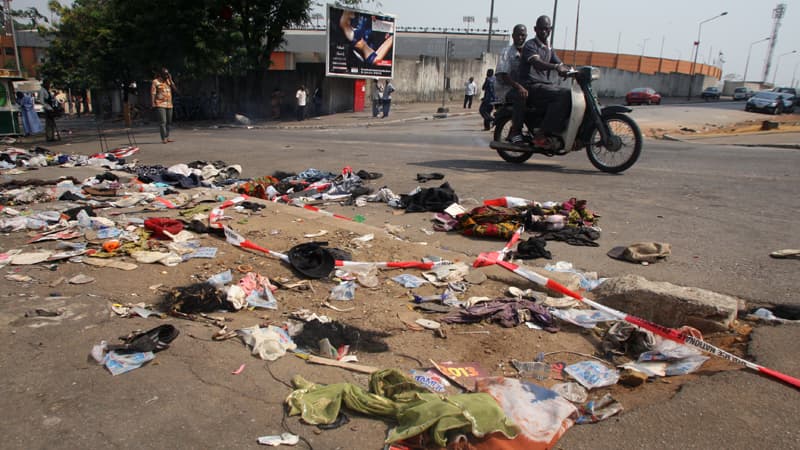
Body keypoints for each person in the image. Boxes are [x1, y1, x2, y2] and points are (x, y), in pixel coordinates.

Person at [512, 15, 571, 149]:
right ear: (535, 29)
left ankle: (558, 132)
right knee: (564, 94)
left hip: (543, 85)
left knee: (570, 96)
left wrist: (573, 71)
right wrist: (556, 67)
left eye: (547, 29)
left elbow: (560, 63)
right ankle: (541, 133)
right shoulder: (531, 45)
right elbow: (537, 63)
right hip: (530, 85)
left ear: (551, 29)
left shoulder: (549, 48)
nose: (544, 31)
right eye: (541, 29)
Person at [496, 24, 528, 140]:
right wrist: (519, 87)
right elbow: (503, 76)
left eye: (523, 35)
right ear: (513, 36)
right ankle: (515, 131)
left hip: (522, 87)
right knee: (521, 97)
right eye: (518, 35)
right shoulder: (506, 52)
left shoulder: (528, 52)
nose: (520, 38)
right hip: (507, 89)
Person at [151, 67, 178, 144]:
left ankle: (167, 137)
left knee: (169, 122)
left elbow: (175, 89)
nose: (166, 75)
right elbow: (153, 93)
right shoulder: (155, 82)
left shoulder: (168, 81)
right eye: (165, 74)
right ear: (160, 74)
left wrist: (170, 80)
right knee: (163, 122)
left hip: (169, 104)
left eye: (167, 74)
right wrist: (153, 103)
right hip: (160, 104)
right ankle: (163, 138)